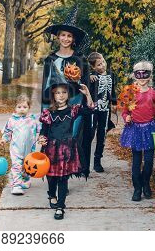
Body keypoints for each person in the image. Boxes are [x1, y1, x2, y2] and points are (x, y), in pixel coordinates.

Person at [38, 63, 94, 220]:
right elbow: (44, 131)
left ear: (68, 95)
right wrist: (41, 138)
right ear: (53, 96)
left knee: (63, 179)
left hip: (67, 150)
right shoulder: (48, 113)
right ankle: (51, 195)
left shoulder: (73, 110)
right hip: (51, 149)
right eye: (58, 93)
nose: (61, 95)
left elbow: (90, 110)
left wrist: (88, 94)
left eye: (64, 92)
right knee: (52, 177)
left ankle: (61, 207)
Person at [42, 6, 93, 177]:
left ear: (73, 39)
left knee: (72, 138)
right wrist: (45, 107)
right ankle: (56, 172)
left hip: (75, 103)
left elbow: (85, 85)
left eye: (69, 36)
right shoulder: (51, 59)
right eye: (63, 35)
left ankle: (67, 173)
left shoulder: (80, 59)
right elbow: (46, 83)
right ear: (57, 37)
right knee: (54, 139)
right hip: (56, 103)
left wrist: (87, 103)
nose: (66, 38)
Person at [120, 61, 155, 201]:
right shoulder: (129, 92)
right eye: (138, 74)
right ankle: (137, 189)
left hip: (149, 129)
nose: (142, 78)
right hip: (135, 129)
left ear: (150, 76)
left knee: (148, 161)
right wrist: (127, 117)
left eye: (145, 74)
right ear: (134, 75)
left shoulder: (154, 94)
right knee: (136, 160)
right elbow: (124, 112)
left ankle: (146, 183)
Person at [0, 94, 41, 195]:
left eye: (25, 107)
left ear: (29, 108)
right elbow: (7, 132)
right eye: (19, 107)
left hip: (29, 149)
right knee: (17, 166)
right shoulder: (12, 120)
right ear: (15, 108)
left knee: (27, 166)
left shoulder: (33, 120)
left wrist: (42, 137)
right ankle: (16, 185)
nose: (22, 109)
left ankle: (25, 180)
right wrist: (4, 139)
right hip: (16, 149)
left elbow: (41, 130)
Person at [87, 52, 117, 172]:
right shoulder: (92, 76)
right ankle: (84, 162)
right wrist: (89, 77)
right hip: (94, 110)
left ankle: (97, 160)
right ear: (94, 67)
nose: (103, 65)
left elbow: (112, 90)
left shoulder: (111, 75)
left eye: (103, 62)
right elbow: (85, 87)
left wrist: (114, 103)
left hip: (105, 109)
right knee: (90, 134)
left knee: (102, 134)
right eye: (99, 65)